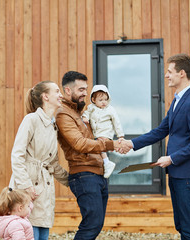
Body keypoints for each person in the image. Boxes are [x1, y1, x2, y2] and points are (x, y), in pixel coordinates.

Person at [119, 53, 190, 239]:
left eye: (170, 71)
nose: (166, 75)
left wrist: (171, 158)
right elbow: (161, 131)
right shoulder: (177, 100)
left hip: (187, 174)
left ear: (182, 73)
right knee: (181, 225)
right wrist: (131, 143)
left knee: (189, 227)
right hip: (176, 173)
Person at [55, 71, 122, 240]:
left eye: (86, 89)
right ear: (68, 91)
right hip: (84, 175)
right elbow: (80, 144)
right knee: (91, 224)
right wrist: (112, 144)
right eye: (81, 89)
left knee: (95, 224)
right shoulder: (64, 114)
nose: (86, 93)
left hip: (98, 173)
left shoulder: (81, 113)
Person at [9, 81, 69, 240]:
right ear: (46, 96)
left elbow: (53, 163)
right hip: (27, 190)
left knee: (43, 234)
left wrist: (72, 181)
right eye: (57, 91)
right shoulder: (31, 120)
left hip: (44, 189)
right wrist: (26, 185)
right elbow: (17, 155)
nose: (61, 95)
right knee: (29, 233)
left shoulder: (53, 125)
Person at [82, 84, 124, 178]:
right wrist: (85, 118)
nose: (104, 102)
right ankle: (105, 164)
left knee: (100, 144)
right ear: (93, 100)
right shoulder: (91, 108)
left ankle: (107, 163)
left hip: (106, 132)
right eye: (100, 100)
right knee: (98, 147)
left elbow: (116, 122)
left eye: (105, 99)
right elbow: (86, 113)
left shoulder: (110, 110)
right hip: (96, 133)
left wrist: (120, 135)